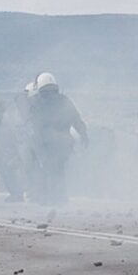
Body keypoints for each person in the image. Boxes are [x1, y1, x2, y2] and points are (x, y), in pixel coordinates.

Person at [29, 72, 88, 205]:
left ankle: (51, 198)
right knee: (57, 169)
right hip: (64, 142)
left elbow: (35, 126)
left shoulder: (36, 103)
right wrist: (84, 134)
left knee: (49, 169)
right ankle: (59, 198)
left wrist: (37, 146)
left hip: (47, 143)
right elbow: (76, 120)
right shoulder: (64, 100)